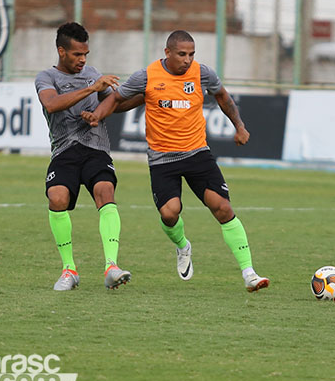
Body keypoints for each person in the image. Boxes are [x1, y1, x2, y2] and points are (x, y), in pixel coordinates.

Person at [82, 30, 269, 293]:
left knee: (223, 208)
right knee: (169, 213)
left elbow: (223, 96)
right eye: (182, 54)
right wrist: (97, 115)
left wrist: (239, 126)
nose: (187, 60)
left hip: (197, 154)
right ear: (167, 52)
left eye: (192, 54)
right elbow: (117, 98)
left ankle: (249, 273)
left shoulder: (203, 73)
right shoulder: (146, 76)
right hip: (162, 160)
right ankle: (183, 245)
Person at [35, 22, 136, 291]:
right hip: (65, 150)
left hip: (96, 149)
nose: (83, 60)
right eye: (77, 54)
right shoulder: (46, 77)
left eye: (85, 55)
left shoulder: (93, 73)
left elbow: (116, 103)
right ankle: (69, 270)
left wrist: (146, 93)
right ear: (61, 51)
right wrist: (92, 88)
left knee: (105, 190)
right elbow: (52, 104)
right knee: (56, 198)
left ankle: (111, 267)